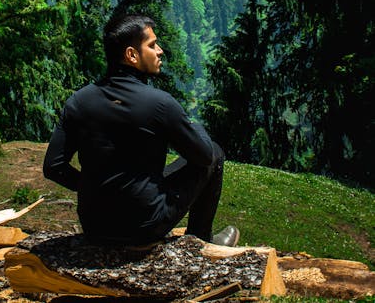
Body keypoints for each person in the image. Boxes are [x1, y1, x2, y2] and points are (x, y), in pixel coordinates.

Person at [43, 13, 239, 247]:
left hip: (94, 226)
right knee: (215, 153)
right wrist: (195, 126)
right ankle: (201, 241)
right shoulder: (159, 104)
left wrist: (97, 191)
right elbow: (203, 156)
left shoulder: (78, 101)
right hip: (143, 227)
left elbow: (53, 167)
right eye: (152, 45)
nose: (160, 51)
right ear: (132, 55)